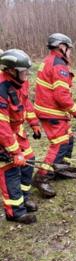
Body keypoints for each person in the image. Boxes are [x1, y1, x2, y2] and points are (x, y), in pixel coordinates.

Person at [32, 33, 76, 198]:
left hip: (48, 109)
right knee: (59, 144)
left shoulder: (49, 61)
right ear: (62, 47)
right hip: (52, 112)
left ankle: (60, 169)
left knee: (68, 139)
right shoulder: (58, 65)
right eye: (69, 49)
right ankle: (42, 177)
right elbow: (62, 96)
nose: (70, 52)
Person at [0, 49, 40, 224]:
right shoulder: (1, 89)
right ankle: (15, 212)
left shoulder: (20, 83)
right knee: (11, 171)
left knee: (29, 160)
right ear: (10, 70)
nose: (26, 74)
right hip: (3, 136)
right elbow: (1, 125)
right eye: (23, 71)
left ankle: (23, 198)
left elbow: (26, 104)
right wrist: (15, 152)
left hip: (16, 132)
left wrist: (34, 124)